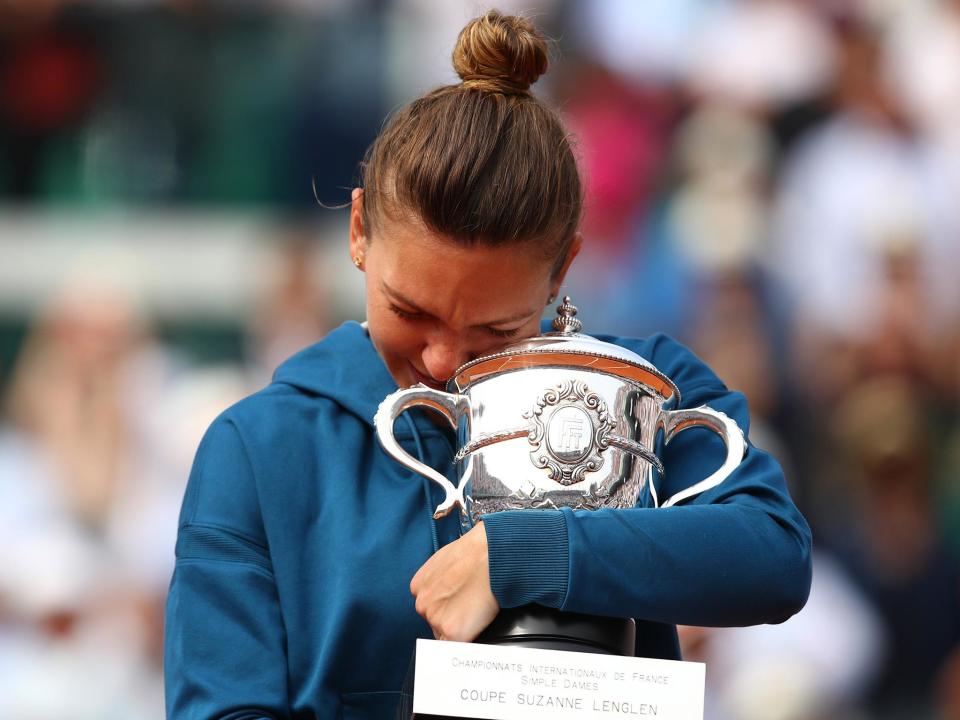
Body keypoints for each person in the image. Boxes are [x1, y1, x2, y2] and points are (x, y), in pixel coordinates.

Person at [164, 11, 812, 719]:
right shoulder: (260, 447)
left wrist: (527, 555)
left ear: (563, 268)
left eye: (495, 332)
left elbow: (773, 556)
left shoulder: (643, 389)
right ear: (357, 231)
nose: (442, 360)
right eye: (409, 311)